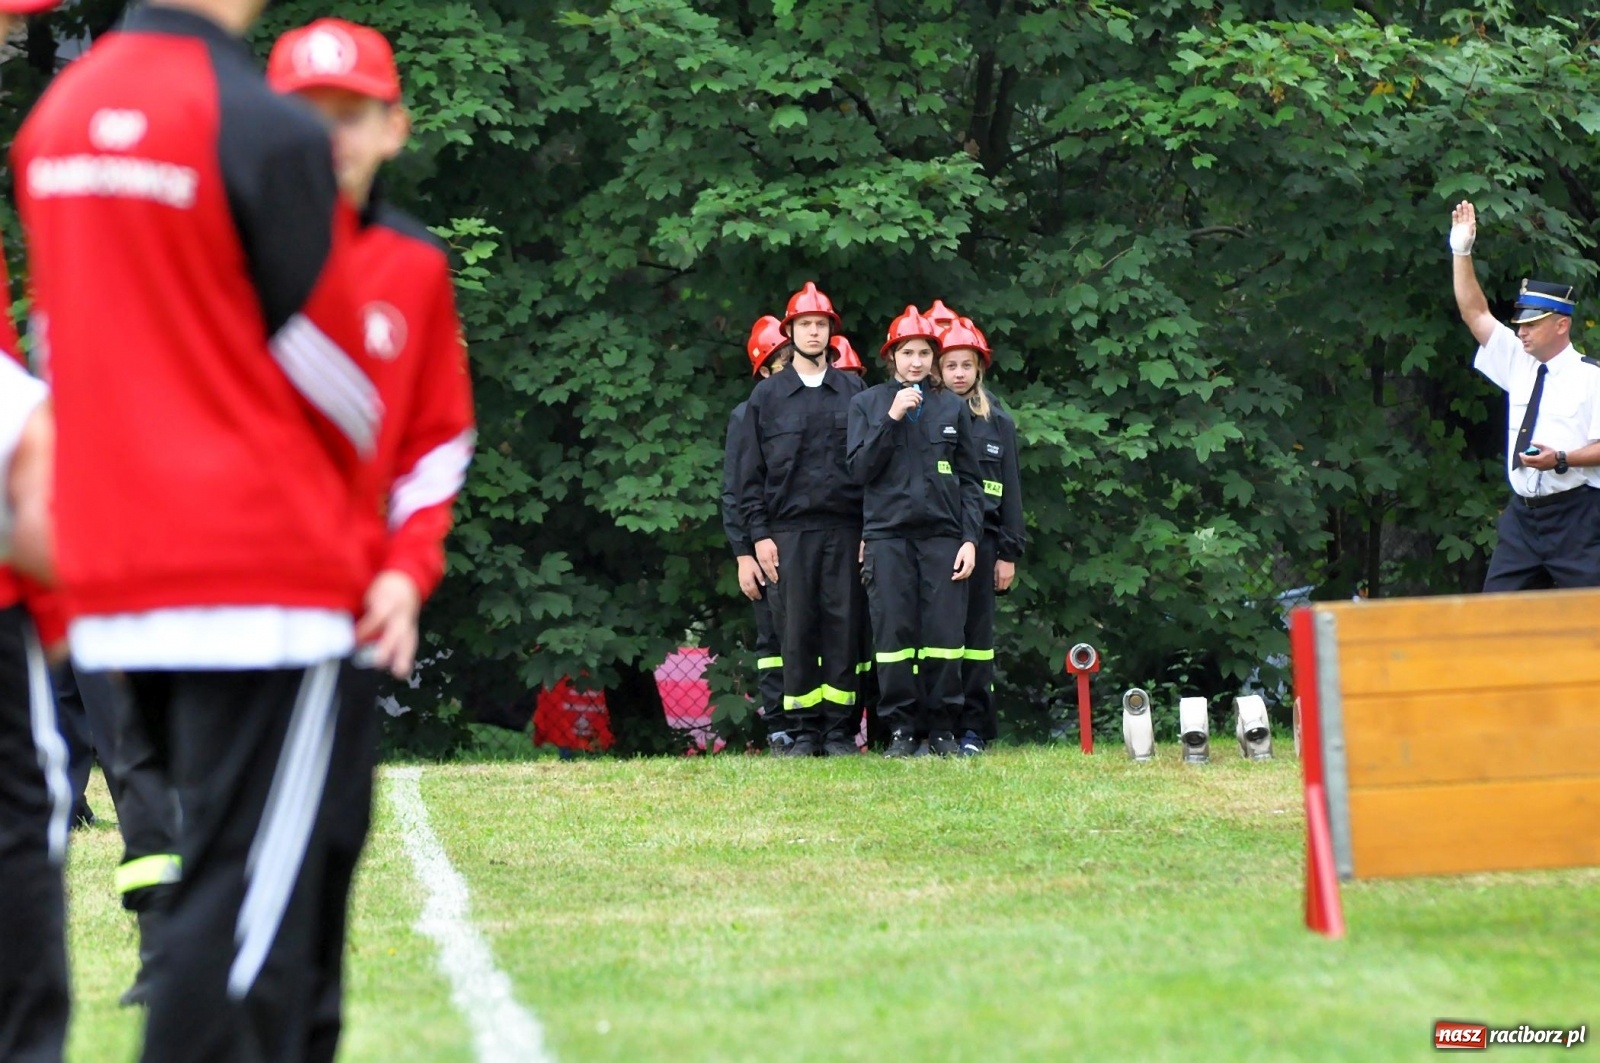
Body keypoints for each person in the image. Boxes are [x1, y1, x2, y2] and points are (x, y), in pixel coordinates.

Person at [14, 1, 373, 1059]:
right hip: (252, 573)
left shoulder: (56, 121)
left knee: (194, 853)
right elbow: (339, 375)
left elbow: (53, 342)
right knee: (247, 884)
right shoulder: (262, 125)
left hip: (116, 568)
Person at [267, 19, 477, 1062]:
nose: (329, 138)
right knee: (218, 871)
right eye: (305, 117)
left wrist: (404, 573)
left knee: (329, 853)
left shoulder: (413, 267)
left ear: (392, 127)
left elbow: (435, 445)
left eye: (350, 116)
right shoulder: (215, 259)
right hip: (222, 611)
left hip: (346, 614)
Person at [736, 282, 866, 757]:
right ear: (789, 332)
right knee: (796, 630)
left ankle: (838, 732)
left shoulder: (854, 390)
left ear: (832, 331)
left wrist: (868, 531)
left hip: (845, 529)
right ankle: (804, 730)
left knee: (842, 627)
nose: (813, 331)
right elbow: (750, 476)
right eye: (804, 324)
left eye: (821, 323)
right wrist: (759, 537)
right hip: (787, 534)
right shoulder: (766, 398)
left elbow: (873, 468)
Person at [847, 306, 983, 758]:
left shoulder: (951, 407)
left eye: (925, 353)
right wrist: (891, 417)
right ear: (892, 357)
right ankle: (902, 730)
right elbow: (859, 469)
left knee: (945, 634)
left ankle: (943, 728)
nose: (917, 362)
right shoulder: (866, 404)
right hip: (887, 538)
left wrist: (970, 539)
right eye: (908, 353)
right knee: (893, 637)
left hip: (943, 539)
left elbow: (970, 481)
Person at [1450, 200, 1600, 591]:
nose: (1522, 332)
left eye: (1533, 325)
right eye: (1520, 324)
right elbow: (1475, 314)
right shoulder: (1519, 361)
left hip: (1577, 516)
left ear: (1562, 325)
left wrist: (1562, 459)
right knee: (1497, 620)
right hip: (1523, 518)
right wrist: (1461, 251)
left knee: (1589, 622)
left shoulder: (1591, 377)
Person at [935, 316, 1024, 756]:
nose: (957, 373)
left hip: (985, 544)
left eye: (965, 365)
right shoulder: (924, 418)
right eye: (949, 365)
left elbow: (1011, 492)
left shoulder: (998, 423)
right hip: (935, 541)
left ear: (979, 369)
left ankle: (974, 728)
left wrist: (1008, 552)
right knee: (938, 639)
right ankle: (938, 728)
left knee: (976, 641)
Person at [722, 315, 791, 750]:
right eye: (782, 362)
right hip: (764, 540)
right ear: (764, 371)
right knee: (772, 636)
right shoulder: (747, 414)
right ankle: (780, 725)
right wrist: (743, 552)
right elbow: (736, 487)